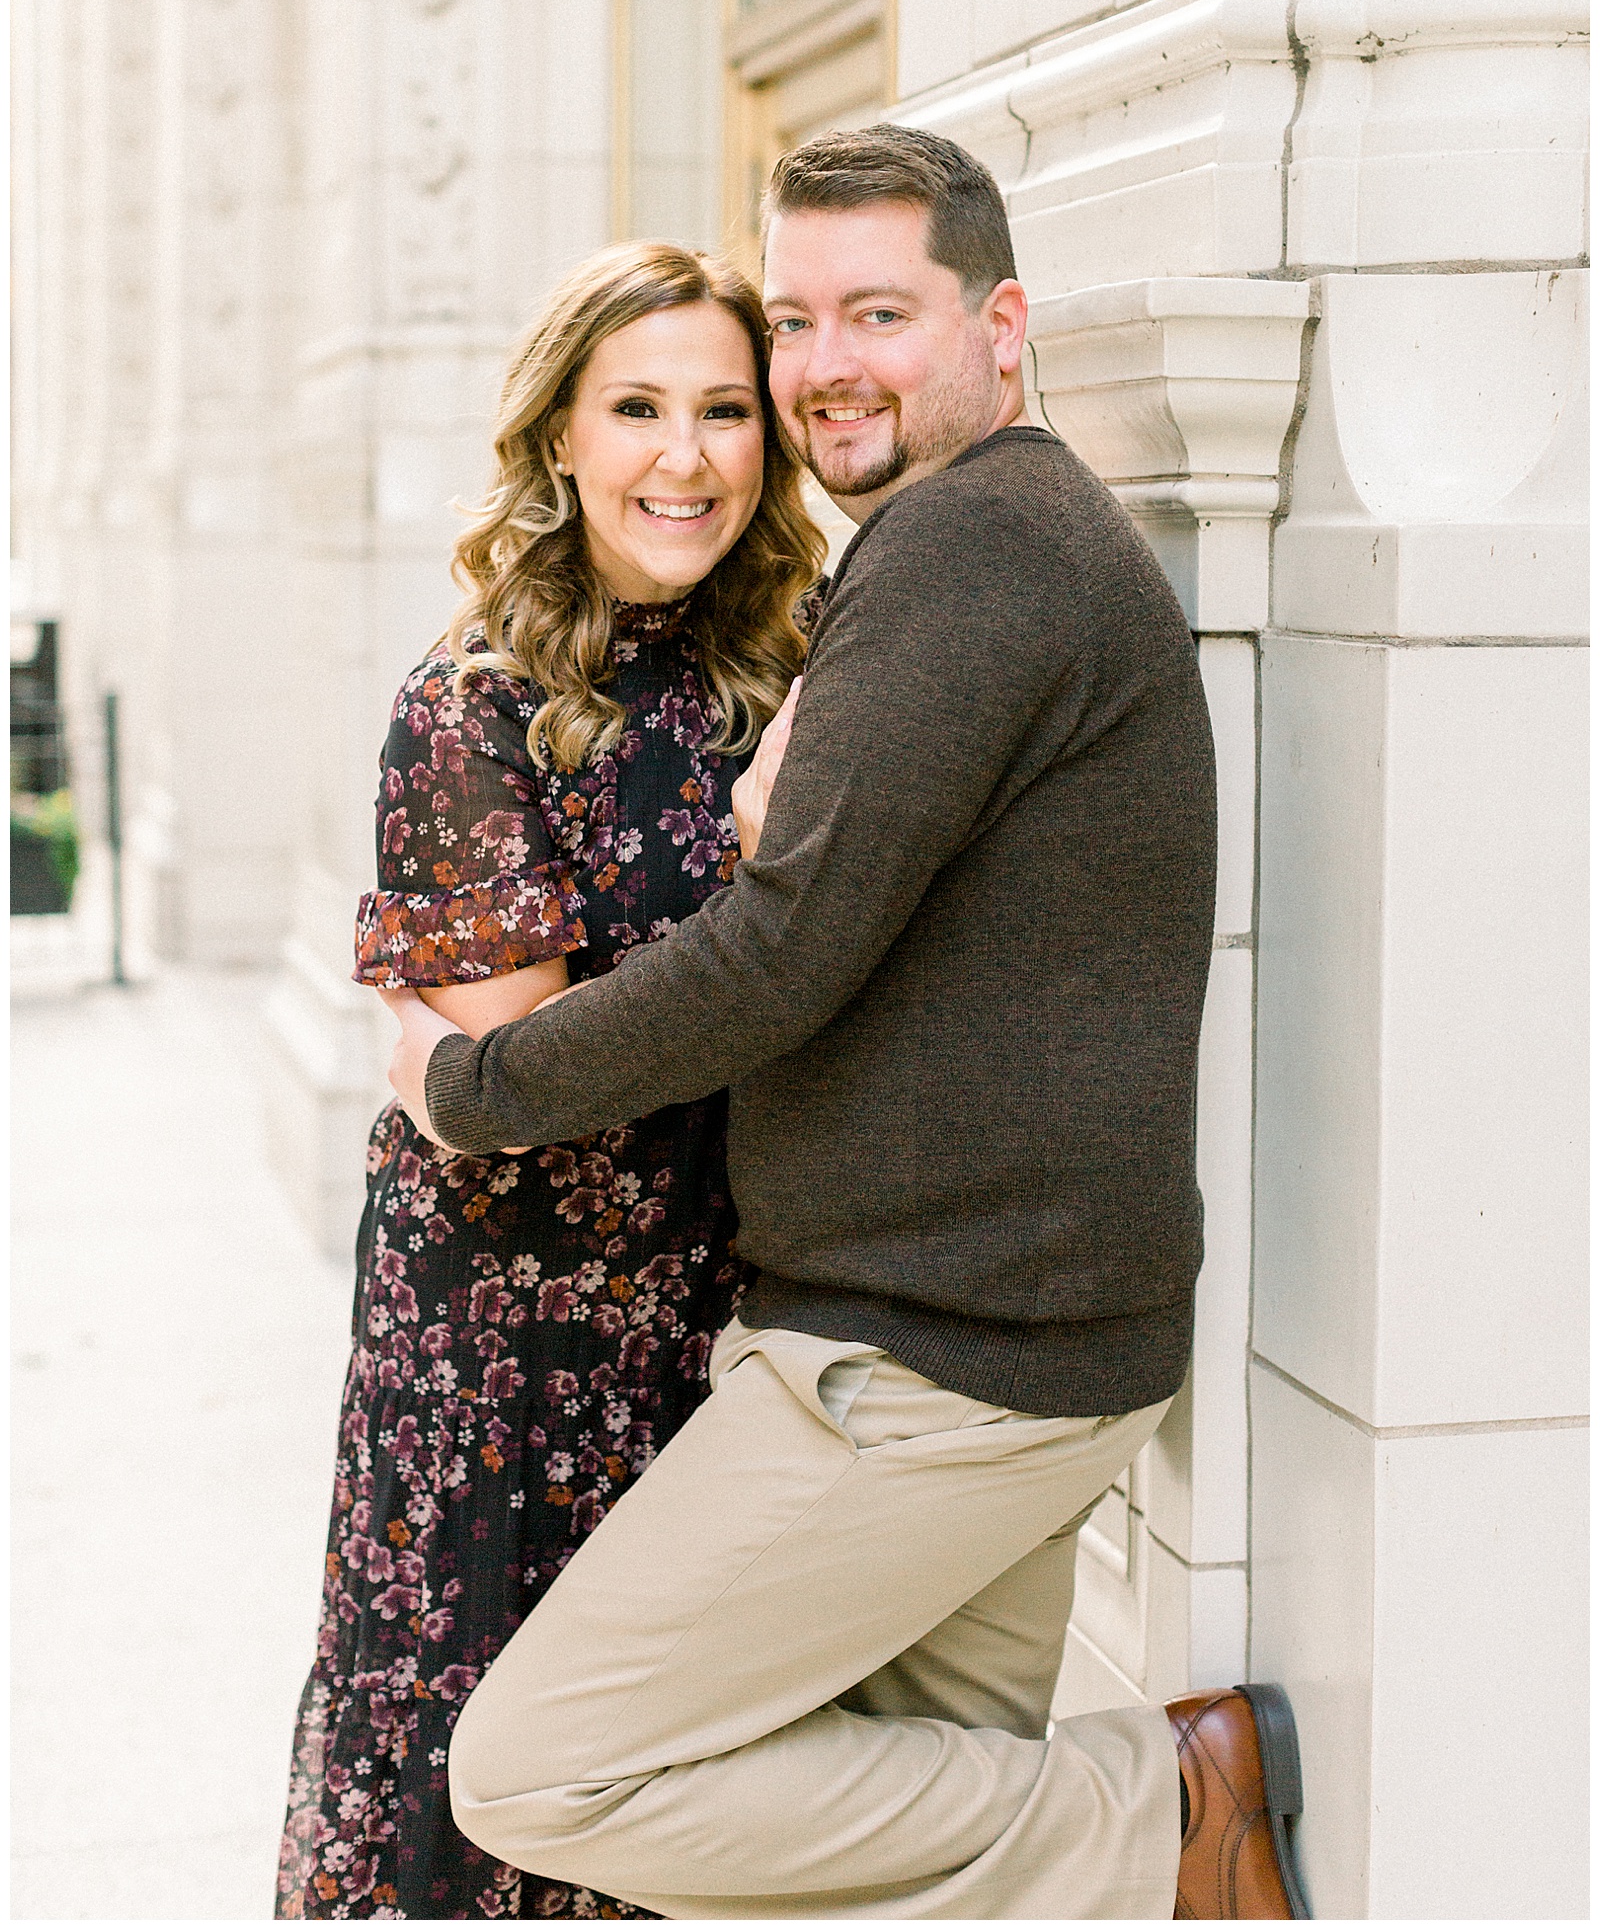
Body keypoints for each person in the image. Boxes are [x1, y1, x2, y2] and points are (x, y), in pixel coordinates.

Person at [384, 126, 1311, 1921]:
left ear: (1003, 322)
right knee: (894, 1871)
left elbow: (778, 956)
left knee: (542, 1762)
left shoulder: (967, 548)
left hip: (928, 1357)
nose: (822, 365)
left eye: (878, 311)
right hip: (1017, 1327)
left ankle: (1165, 1810)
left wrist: (471, 1084)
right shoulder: (990, 538)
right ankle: (1149, 1827)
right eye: (796, 317)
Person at [275, 243, 826, 1920]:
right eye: (639, 407)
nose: (686, 455)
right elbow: (525, 1076)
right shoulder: (473, 706)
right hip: (508, 1338)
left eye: (725, 410)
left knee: (673, 1768)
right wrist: (759, 870)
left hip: (713, 1310)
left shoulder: (783, 677)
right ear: (562, 438)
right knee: (491, 1742)